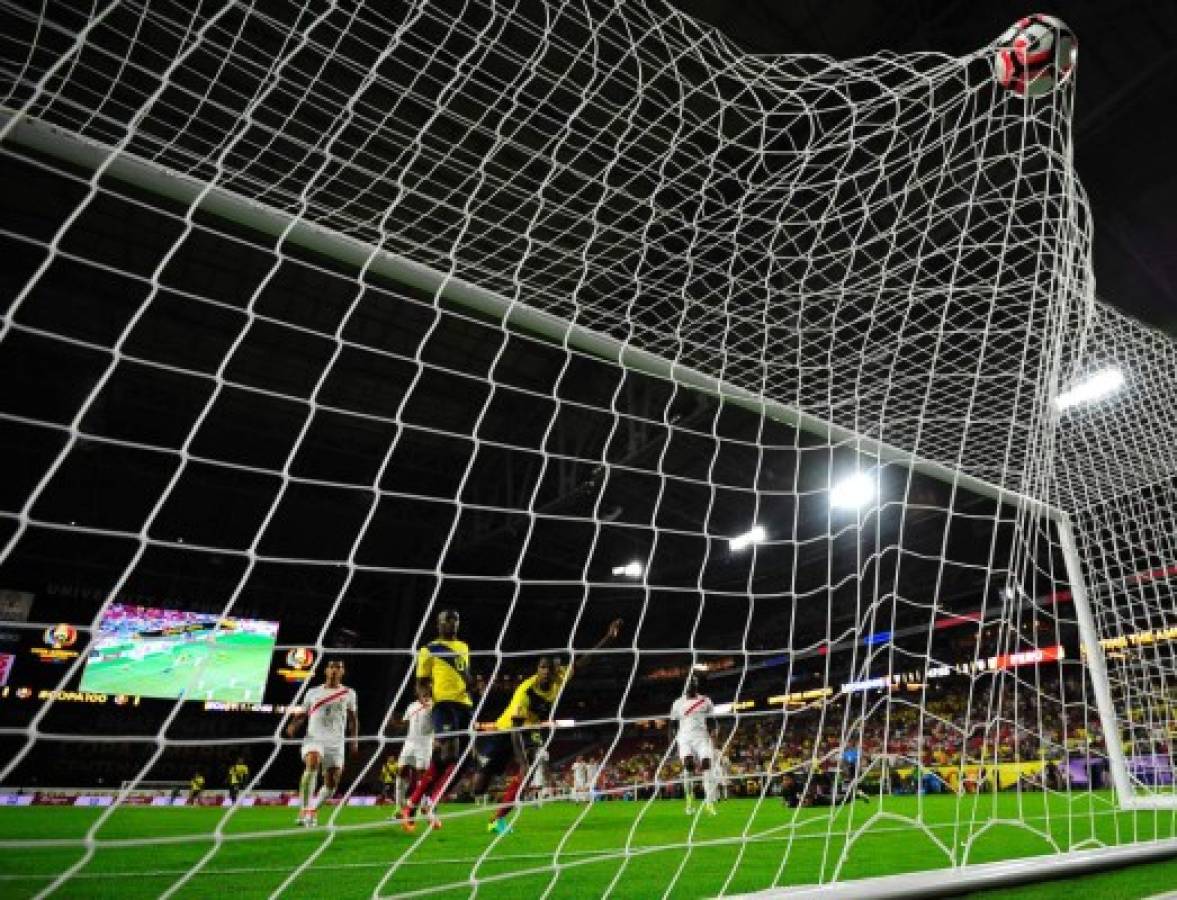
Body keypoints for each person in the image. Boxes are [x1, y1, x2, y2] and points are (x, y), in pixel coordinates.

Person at [470, 619, 622, 835]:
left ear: (556, 670)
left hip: (531, 728)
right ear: (537, 669)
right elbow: (515, 729)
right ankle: (478, 763)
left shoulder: (560, 677)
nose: (546, 671)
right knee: (478, 788)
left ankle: (497, 820)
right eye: (542, 667)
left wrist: (608, 638)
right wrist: (521, 759)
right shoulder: (526, 691)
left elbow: (583, 662)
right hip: (508, 729)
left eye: (550, 668)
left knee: (528, 768)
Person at [400, 610, 476, 832]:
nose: (452, 624)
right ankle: (413, 804)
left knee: (465, 759)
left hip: (465, 705)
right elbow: (421, 681)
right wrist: (425, 695)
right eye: (447, 621)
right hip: (442, 704)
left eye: (455, 620)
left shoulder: (464, 647)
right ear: (438, 624)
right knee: (450, 753)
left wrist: (473, 684)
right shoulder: (428, 649)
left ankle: (428, 802)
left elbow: (464, 674)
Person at [285, 659, 359, 827]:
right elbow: (302, 714)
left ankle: (312, 810)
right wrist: (292, 726)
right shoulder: (313, 692)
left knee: (332, 784)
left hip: (336, 742)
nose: (334, 670)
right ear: (326, 670)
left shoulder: (349, 693)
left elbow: (353, 720)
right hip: (314, 737)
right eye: (331, 667)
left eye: (338, 667)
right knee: (312, 762)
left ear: (343, 672)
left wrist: (354, 741)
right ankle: (303, 811)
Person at [670, 676, 718, 816]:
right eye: (689, 684)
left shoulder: (706, 701)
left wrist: (714, 733)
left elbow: (711, 721)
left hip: (702, 738)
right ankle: (690, 801)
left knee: (706, 764)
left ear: (697, 685)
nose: (691, 687)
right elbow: (672, 725)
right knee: (689, 766)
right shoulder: (678, 703)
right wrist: (673, 742)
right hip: (684, 738)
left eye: (693, 684)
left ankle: (709, 804)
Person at [396, 685, 434, 814]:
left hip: (424, 744)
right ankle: (399, 809)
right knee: (401, 772)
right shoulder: (411, 706)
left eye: (425, 688)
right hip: (409, 743)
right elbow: (405, 723)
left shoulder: (434, 706)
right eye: (420, 689)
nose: (422, 690)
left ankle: (421, 807)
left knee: (421, 776)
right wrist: (395, 724)